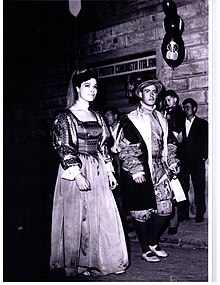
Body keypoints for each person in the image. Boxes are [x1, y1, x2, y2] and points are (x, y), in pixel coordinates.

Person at [50, 69, 128, 277]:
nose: (92, 90)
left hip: (97, 169)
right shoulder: (65, 117)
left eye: (95, 86)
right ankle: (79, 264)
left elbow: (103, 147)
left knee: (101, 215)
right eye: (87, 86)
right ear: (77, 88)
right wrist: (77, 174)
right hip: (75, 169)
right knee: (79, 217)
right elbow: (64, 146)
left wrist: (110, 172)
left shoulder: (98, 116)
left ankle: (96, 261)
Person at [117, 79, 180, 263]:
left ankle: (152, 241)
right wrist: (136, 169)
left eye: (154, 92)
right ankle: (145, 248)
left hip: (160, 168)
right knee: (142, 212)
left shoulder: (161, 118)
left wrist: (172, 161)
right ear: (140, 94)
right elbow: (125, 146)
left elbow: (169, 143)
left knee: (165, 208)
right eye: (147, 91)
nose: (152, 95)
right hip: (140, 169)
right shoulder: (131, 119)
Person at [178, 98, 208, 223]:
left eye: (188, 107)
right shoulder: (180, 123)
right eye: (184, 107)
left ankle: (200, 213)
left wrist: (203, 156)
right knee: (183, 187)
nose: (186, 110)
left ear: (194, 108)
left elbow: (207, 141)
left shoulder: (202, 123)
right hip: (184, 161)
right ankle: (184, 213)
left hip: (197, 161)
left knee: (198, 187)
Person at [164, 90, 185, 235]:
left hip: (175, 154)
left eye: (169, 99)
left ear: (176, 99)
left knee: (175, 187)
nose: (167, 102)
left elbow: (179, 137)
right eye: (165, 100)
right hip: (167, 153)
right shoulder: (165, 112)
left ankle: (174, 222)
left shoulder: (177, 112)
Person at [103, 107, 125, 220]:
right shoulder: (106, 130)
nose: (107, 118)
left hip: (124, 160)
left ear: (115, 116)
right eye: (105, 116)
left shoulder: (123, 127)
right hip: (112, 160)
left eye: (109, 115)